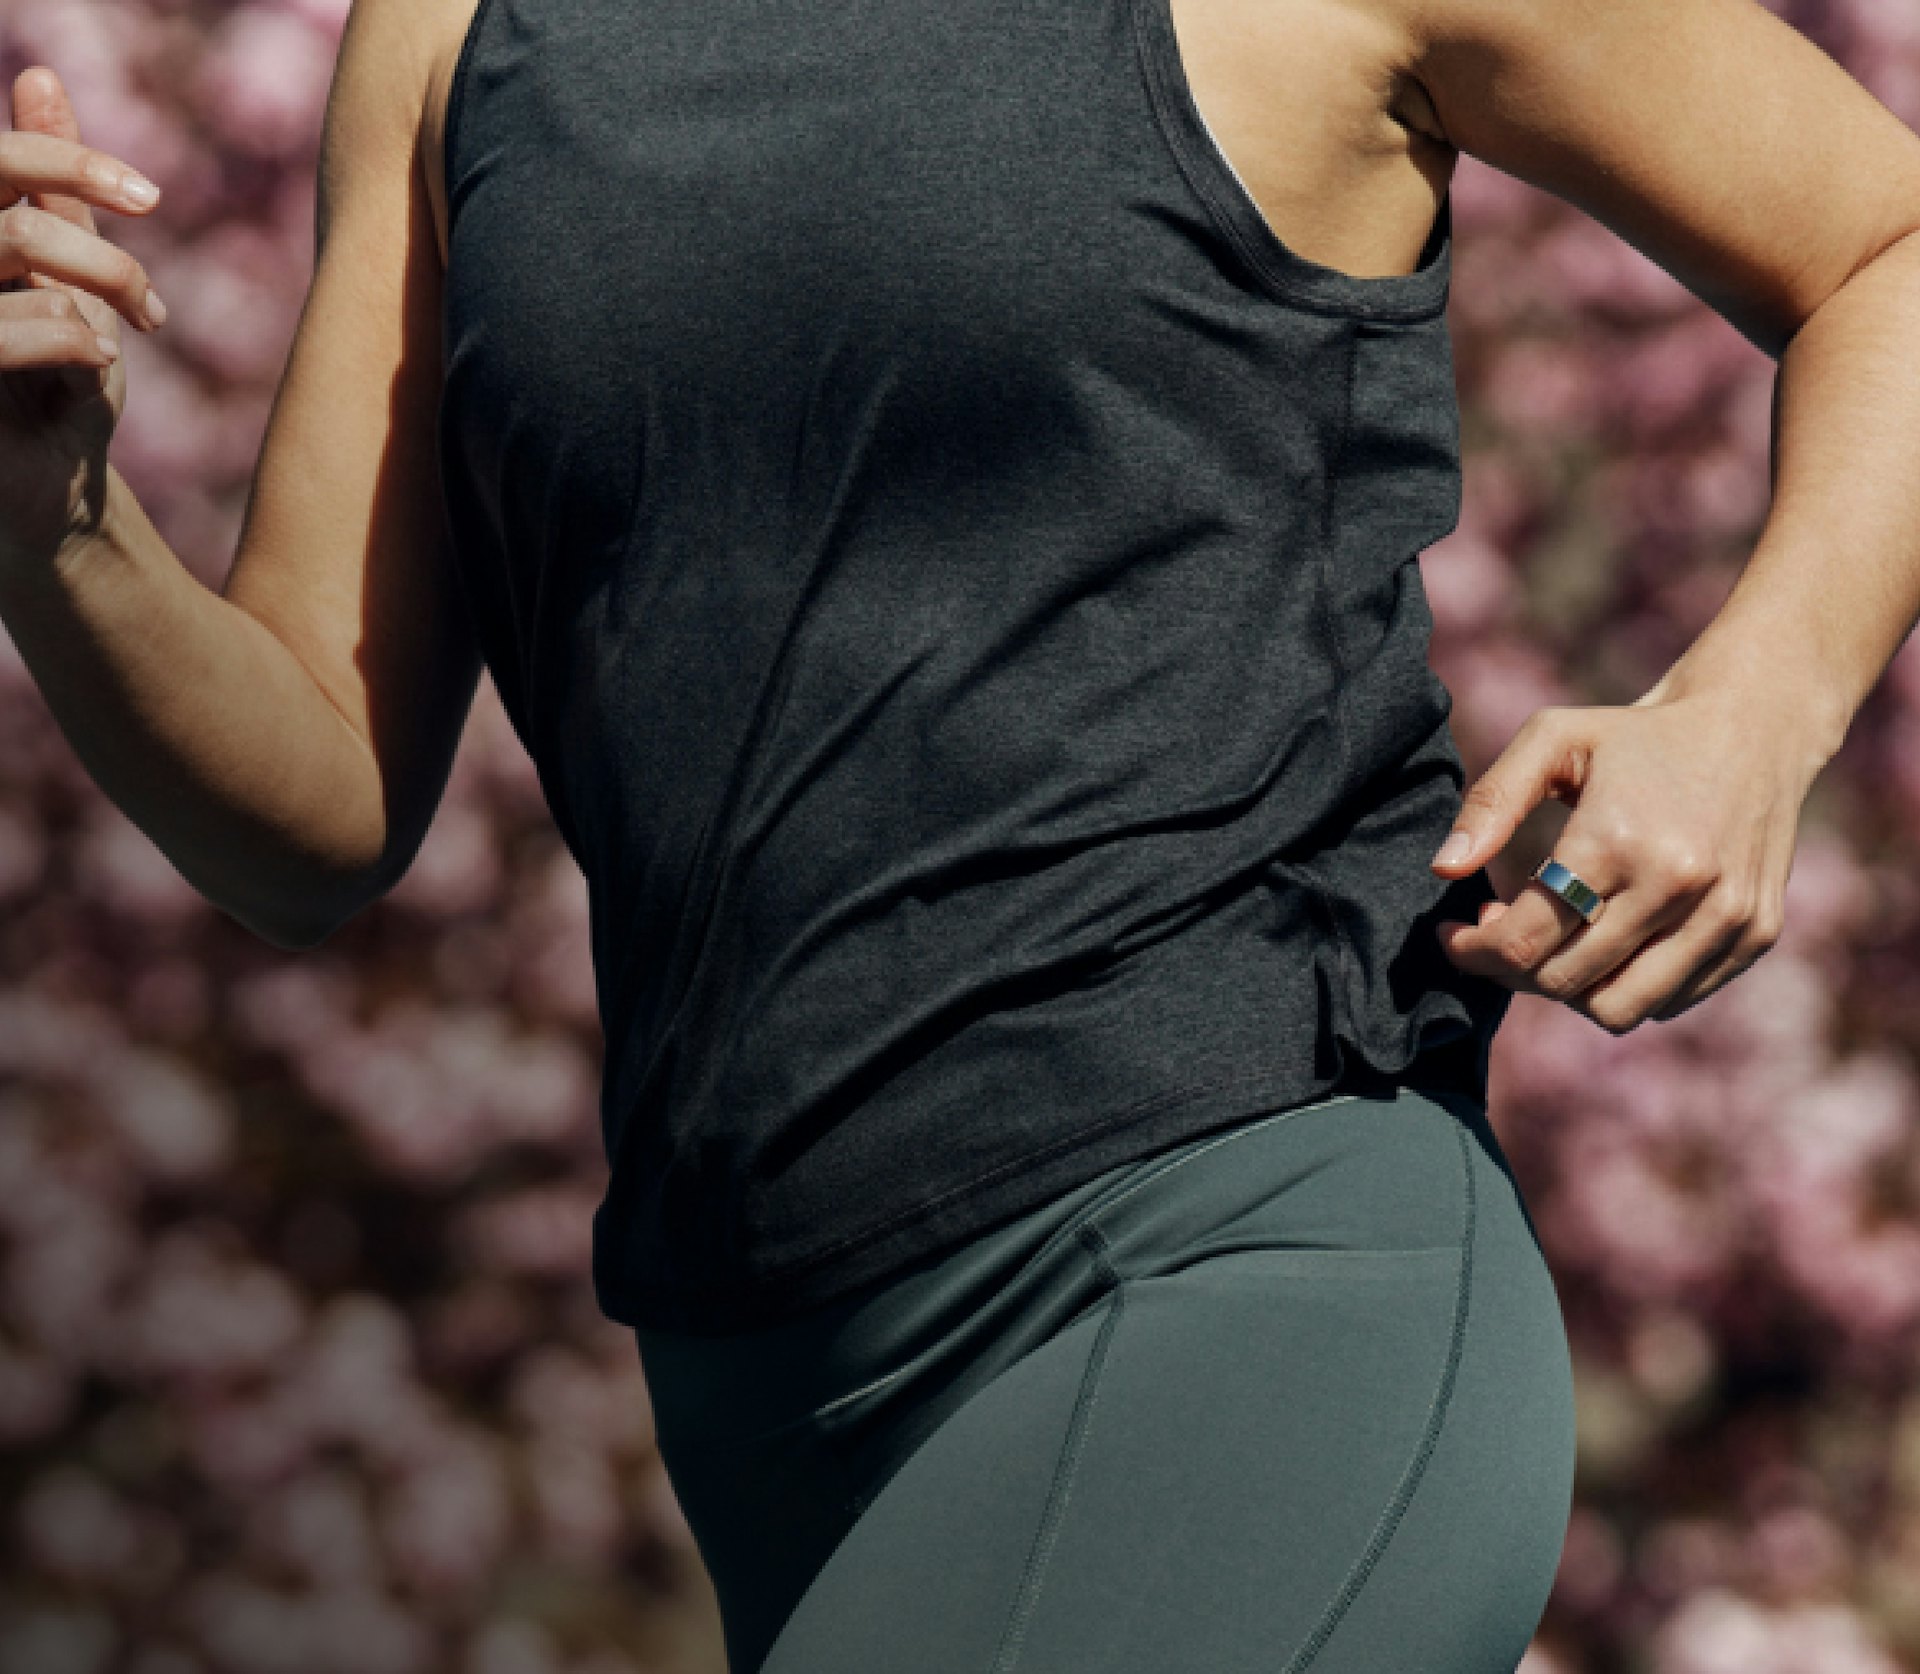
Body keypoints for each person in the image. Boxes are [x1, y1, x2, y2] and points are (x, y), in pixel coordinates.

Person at [4, 0, 1919, 1664]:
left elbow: (1887, 246)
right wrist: (55, 522)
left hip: (1238, 1267)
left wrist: (1755, 709)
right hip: (766, 1392)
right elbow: (316, 803)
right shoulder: (455, 36)